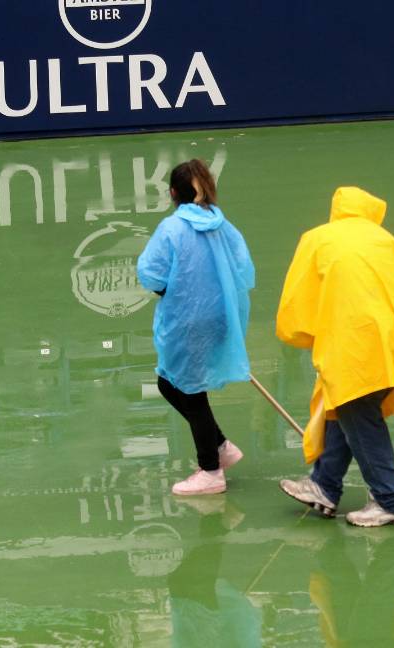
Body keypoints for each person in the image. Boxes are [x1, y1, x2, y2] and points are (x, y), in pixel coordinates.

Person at [276, 186, 394, 527]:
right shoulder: (388, 241)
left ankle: (392, 500)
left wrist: (306, 335)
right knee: (344, 409)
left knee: (358, 414)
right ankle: (324, 485)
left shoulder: (318, 238)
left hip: (353, 341)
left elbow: (298, 298)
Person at [136, 159, 255, 496]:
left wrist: (169, 292)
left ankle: (211, 470)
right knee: (170, 383)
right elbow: (243, 268)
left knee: (189, 390)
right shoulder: (222, 225)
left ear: (173, 193)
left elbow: (152, 273)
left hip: (187, 319)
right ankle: (219, 447)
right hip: (219, 315)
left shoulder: (171, 229)